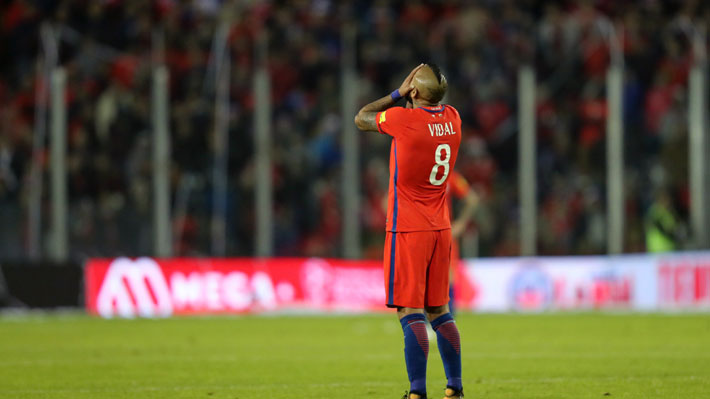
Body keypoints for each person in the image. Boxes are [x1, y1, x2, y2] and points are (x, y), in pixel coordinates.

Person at [354, 64, 464, 399]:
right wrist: (415, 95)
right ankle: (454, 389)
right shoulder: (455, 118)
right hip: (441, 227)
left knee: (409, 311)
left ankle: (417, 392)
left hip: (408, 228)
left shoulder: (406, 120)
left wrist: (397, 94)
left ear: (415, 92)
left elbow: (362, 117)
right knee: (440, 311)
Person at [446, 171, 479, 314]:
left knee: (448, 274)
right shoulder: (415, 173)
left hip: (444, 231)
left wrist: (461, 223)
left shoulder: (450, 176)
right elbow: (389, 200)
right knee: (421, 274)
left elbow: (472, 199)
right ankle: (423, 320)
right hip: (420, 231)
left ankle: (449, 317)